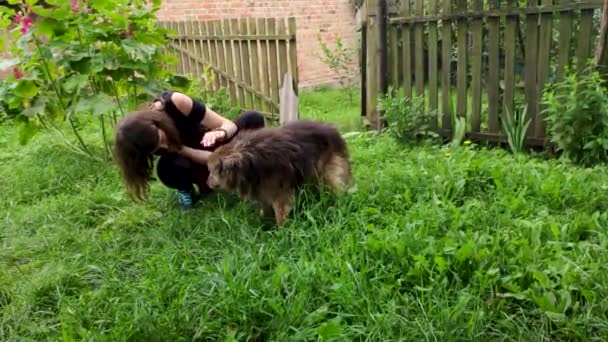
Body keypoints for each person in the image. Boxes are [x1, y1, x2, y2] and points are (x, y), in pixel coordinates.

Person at [113, 90, 266, 209]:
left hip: (213, 142)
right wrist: (182, 150)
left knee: (253, 118)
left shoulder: (176, 103)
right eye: (156, 149)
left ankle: (250, 171)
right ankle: (189, 189)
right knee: (166, 169)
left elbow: (228, 125)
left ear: (156, 123)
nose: (163, 147)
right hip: (195, 163)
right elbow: (205, 158)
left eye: (161, 140)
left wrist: (221, 132)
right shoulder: (138, 143)